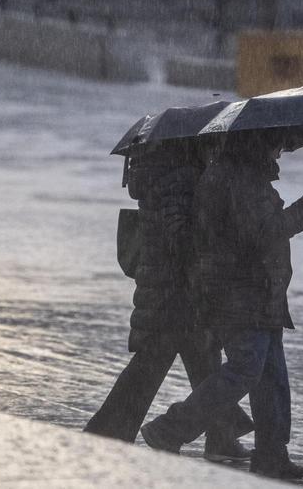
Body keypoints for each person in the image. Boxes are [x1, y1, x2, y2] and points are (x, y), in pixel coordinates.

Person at [140, 129, 303, 480]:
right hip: (240, 293)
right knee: (246, 370)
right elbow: (260, 232)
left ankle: (270, 454)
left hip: (259, 293)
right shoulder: (240, 178)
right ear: (260, 142)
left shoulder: (242, 173)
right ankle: (170, 429)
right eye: (278, 143)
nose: (281, 150)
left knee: (271, 378)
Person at [85, 141, 252, 461]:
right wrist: (214, 230)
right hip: (176, 291)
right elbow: (180, 236)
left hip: (168, 286)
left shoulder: (167, 174)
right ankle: (111, 433)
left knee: (200, 358)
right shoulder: (180, 179)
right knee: (157, 363)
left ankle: (221, 435)